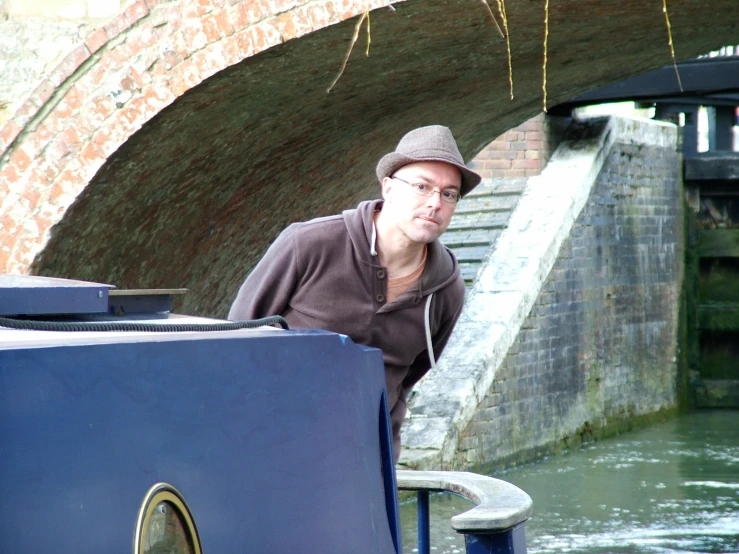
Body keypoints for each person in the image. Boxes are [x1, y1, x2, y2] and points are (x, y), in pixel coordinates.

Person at [228, 125, 481, 461]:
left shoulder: (447, 287)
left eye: (449, 194)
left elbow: (409, 374)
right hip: (271, 445)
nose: (435, 203)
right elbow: (235, 336)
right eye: (422, 187)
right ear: (388, 188)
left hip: (367, 461)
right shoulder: (308, 245)